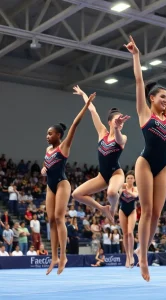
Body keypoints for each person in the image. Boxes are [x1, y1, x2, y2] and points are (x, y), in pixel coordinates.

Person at [124, 35, 166, 281]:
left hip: (162, 167)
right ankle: (142, 260)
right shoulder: (143, 112)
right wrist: (136, 55)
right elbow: (139, 80)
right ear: (152, 99)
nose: (165, 100)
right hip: (145, 163)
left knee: (157, 214)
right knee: (147, 209)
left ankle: (143, 249)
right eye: (161, 97)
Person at [42, 92, 96, 275]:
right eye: (47, 134)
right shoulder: (48, 149)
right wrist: (44, 169)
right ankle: (54, 257)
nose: (47, 136)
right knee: (50, 220)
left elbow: (75, 124)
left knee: (59, 217)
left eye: (50, 134)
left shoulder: (63, 146)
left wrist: (86, 103)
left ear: (59, 135)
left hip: (62, 184)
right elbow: (47, 163)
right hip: (50, 184)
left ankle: (63, 255)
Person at [72, 85, 130, 222]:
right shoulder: (102, 132)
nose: (120, 122)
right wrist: (83, 94)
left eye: (121, 120)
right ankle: (103, 208)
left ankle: (113, 208)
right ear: (109, 122)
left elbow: (119, 139)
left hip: (116, 173)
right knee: (76, 194)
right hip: (102, 176)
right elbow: (92, 109)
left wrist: (117, 128)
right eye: (117, 120)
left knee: (111, 192)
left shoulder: (123, 137)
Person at [119, 170, 139, 268]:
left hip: (132, 210)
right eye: (128, 178)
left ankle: (131, 255)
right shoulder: (122, 186)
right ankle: (127, 256)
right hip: (122, 210)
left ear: (134, 179)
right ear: (125, 179)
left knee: (130, 232)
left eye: (131, 178)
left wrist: (127, 192)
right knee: (125, 234)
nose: (130, 180)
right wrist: (120, 190)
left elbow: (135, 195)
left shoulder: (135, 188)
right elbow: (117, 194)